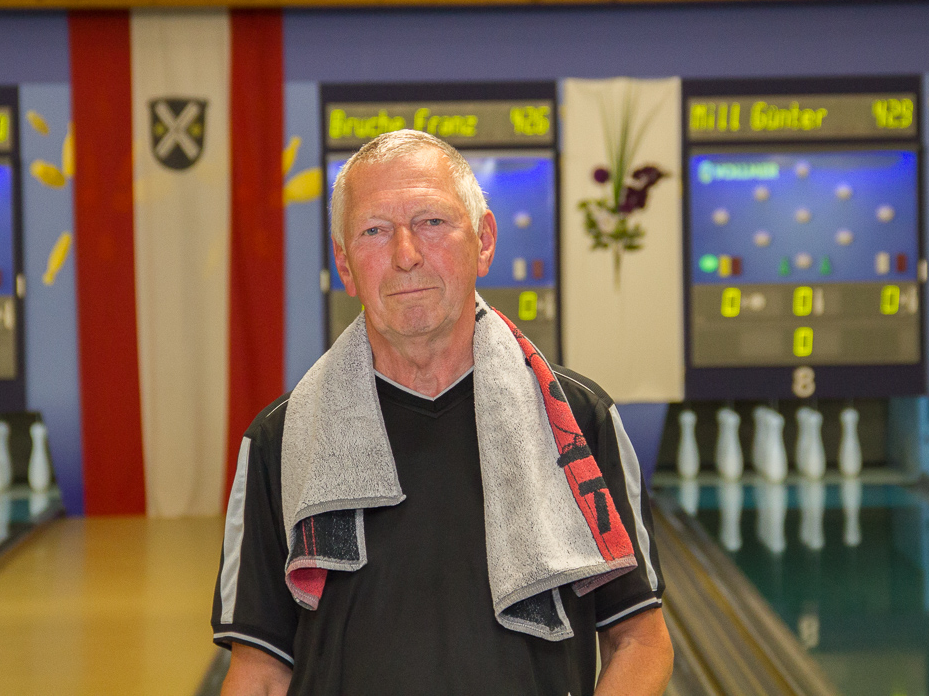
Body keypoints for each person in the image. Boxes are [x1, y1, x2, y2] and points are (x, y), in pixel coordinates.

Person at [211, 130, 673, 696]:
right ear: (345, 263)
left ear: (484, 241)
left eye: (431, 222)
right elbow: (260, 671)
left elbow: (640, 641)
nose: (406, 255)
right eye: (374, 231)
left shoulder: (576, 420)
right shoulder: (281, 440)